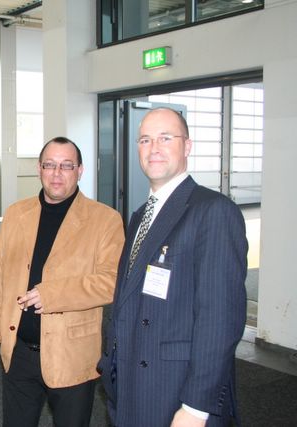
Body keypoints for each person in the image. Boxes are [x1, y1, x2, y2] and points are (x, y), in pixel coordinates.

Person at [98, 108, 248, 427]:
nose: (154, 148)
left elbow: (220, 319)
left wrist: (196, 407)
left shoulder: (213, 211)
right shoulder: (140, 215)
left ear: (187, 146)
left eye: (165, 138)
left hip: (176, 391)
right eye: (145, 140)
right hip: (129, 382)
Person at [0, 136, 125, 426]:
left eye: (66, 165)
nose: (57, 173)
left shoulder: (105, 220)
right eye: (49, 165)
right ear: (39, 168)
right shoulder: (16, 214)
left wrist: (52, 295)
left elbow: (112, 281)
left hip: (71, 356)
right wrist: (1, 325)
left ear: (80, 170)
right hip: (18, 352)